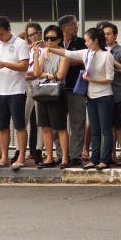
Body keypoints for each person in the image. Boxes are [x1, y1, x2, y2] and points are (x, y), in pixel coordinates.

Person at [47, 28, 114, 170]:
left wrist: (92, 79)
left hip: (104, 95)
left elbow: (109, 78)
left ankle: (105, 159)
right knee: (95, 129)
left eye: (87, 40)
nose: (86, 43)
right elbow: (68, 53)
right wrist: (50, 48)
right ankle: (94, 159)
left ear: (95, 40)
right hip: (91, 95)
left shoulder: (106, 55)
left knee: (105, 129)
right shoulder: (86, 53)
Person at [0, 16, 30, 171]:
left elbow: (24, 66)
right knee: (2, 126)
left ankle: (21, 157)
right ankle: (4, 157)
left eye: (1, 34)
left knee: (19, 125)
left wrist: (4, 64)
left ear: (9, 30)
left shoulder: (20, 44)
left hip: (16, 90)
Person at [32, 25, 70, 168]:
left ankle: (65, 157)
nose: (49, 41)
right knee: (45, 126)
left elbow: (60, 76)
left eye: (52, 38)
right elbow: (36, 73)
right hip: (43, 92)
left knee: (60, 126)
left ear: (59, 39)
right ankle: (49, 157)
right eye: (46, 38)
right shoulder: (44, 53)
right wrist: (36, 55)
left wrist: (45, 75)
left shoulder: (63, 54)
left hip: (57, 92)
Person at [58, 14, 87, 166]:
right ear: (64, 27)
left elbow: (85, 59)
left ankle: (75, 154)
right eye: (73, 25)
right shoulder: (55, 41)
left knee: (78, 123)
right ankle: (60, 154)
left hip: (76, 87)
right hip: (57, 89)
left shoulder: (81, 42)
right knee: (58, 123)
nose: (76, 27)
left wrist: (65, 60)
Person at [100, 22, 121, 165]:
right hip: (104, 93)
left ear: (115, 35)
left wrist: (115, 64)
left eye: (109, 34)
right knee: (109, 126)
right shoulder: (99, 50)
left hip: (118, 93)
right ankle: (111, 154)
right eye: (104, 34)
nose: (106, 37)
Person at [23, 22, 44, 166]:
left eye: (36, 33)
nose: (34, 36)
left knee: (41, 122)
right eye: (30, 35)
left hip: (41, 87)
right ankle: (20, 151)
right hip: (26, 88)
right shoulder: (26, 50)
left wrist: (26, 74)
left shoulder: (46, 49)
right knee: (22, 120)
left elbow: (38, 72)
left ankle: (38, 151)